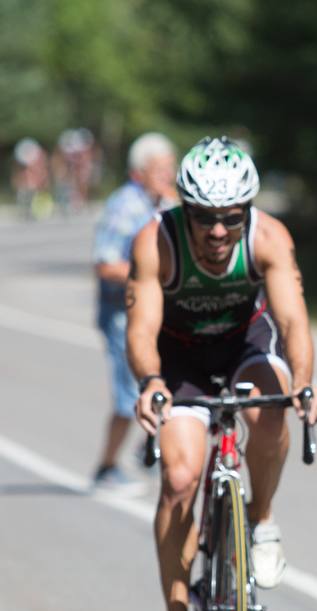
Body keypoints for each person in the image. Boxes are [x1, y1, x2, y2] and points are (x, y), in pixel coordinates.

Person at [126, 136, 317, 611]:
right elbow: (141, 328)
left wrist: (304, 383)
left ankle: (260, 519)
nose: (217, 232)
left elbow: (292, 322)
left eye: (231, 218)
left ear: (248, 212)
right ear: (185, 210)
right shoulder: (156, 240)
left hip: (246, 347)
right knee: (181, 476)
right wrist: (150, 383)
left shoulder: (268, 238)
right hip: (180, 360)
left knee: (270, 409)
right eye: (205, 218)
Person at [92, 132, 178, 492]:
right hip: (121, 315)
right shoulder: (125, 206)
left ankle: (149, 449)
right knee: (131, 393)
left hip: (157, 311)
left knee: (171, 380)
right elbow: (105, 264)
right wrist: (146, 273)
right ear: (139, 172)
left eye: (170, 168)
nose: (167, 175)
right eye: (159, 169)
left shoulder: (164, 203)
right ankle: (107, 467)